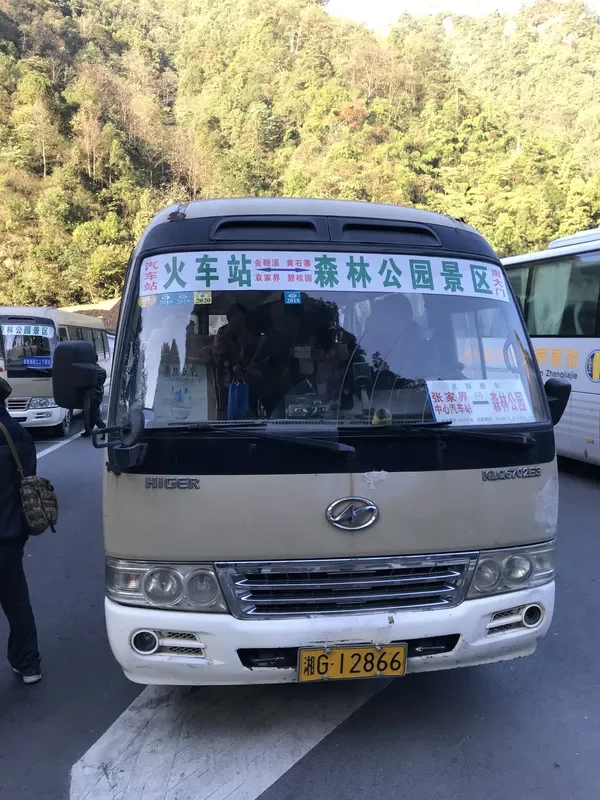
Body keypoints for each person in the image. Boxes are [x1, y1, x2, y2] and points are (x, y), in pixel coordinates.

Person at [0, 377, 41, 684]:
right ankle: (29, 665)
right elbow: (28, 478)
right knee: (16, 600)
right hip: (10, 533)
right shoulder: (18, 434)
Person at [81, 354, 107, 437]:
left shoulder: (92, 371)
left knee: (93, 414)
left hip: (93, 395)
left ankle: (104, 431)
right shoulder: (102, 370)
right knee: (91, 413)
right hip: (98, 394)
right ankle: (89, 431)